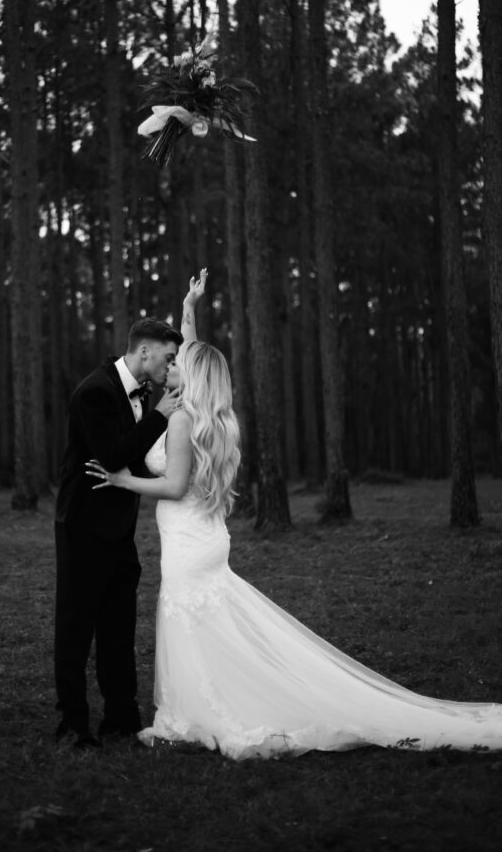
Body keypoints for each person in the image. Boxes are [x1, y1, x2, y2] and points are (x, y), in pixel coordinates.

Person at [86, 340, 502, 760]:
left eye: (180, 361)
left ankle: (194, 714)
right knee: (202, 625)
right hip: (207, 537)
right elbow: (197, 358)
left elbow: (174, 486)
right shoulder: (216, 421)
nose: (171, 363)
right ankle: (196, 707)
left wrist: (125, 481)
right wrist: (190, 307)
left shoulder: (180, 421)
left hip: (188, 542)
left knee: (187, 621)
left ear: (192, 375)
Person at [54, 295, 202, 748]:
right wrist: (159, 416)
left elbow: (137, 462)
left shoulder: (145, 393)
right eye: (167, 356)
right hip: (82, 527)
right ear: (143, 352)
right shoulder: (95, 392)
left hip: (120, 531)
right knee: (76, 628)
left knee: (119, 625)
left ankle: (120, 717)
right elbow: (113, 457)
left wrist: (189, 308)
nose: (171, 364)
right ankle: (73, 724)